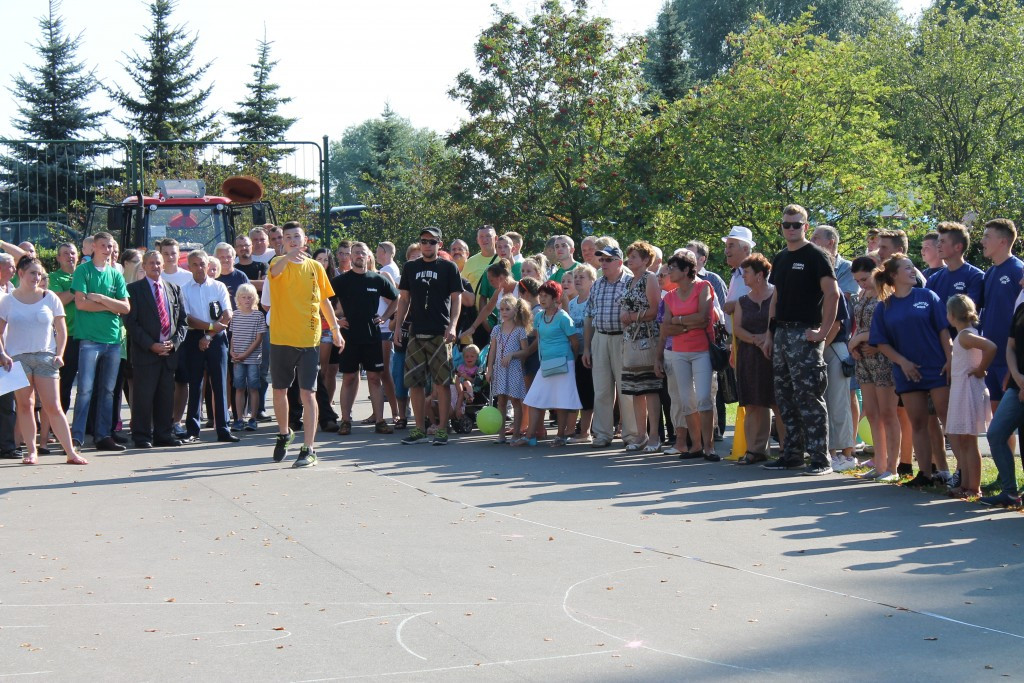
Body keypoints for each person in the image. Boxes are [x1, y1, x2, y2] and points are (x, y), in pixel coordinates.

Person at [763, 205, 839, 476]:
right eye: (787, 224)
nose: (792, 229)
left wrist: (822, 333)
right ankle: (792, 454)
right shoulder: (781, 257)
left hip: (805, 333)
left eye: (797, 224)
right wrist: (770, 333)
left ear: (806, 226)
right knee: (785, 397)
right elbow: (777, 297)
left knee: (809, 397)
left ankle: (821, 459)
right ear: (781, 226)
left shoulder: (816, 255)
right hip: (782, 333)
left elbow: (833, 294)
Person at [870, 255, 953, 487]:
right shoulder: (884, 306)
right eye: (907, 268)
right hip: (907, 373)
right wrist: (903, 362)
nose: (913, 271)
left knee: (947, 420)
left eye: (913, 267)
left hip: (937, 368)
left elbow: (943, 331)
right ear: (894, 276)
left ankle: (957, 473)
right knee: (918, 422)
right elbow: (881, 343)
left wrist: (950, 359)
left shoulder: (927, 296)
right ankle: (925, 474)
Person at [267, 222, 343, 466]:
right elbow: (276, 271)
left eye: (296, 236)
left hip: (309, 339)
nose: (291, 240)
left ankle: (309, 448)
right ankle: (284, 433)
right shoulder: (276, 263)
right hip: (281, 338)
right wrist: (287, 257)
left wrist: (336, 329)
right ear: (283, 242)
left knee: (308, 393)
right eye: (287, 237)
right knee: (279, 390)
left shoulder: (315, 268)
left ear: (305, 239)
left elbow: (324, 302)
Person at [0, 256, 87, 465]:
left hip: (45, 356)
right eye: (32, 273)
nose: (37, 277)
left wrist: (60, 352)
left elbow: (61, 329)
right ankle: (31, 451)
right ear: (21, 273)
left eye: (40, 274)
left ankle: (70, 452)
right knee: (24, 405)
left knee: (53, 406)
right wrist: (2, 353)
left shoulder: (50, 298)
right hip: (17, 359)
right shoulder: (7, 301)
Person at [394, 228, 463, 446]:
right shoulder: (410, 267)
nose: (427, 245)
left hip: (440, 333)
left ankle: (442, 429)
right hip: (416, 332)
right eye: (424, 241)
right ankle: (419, 429)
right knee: (414, 382)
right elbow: (404, 299)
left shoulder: (448, 267)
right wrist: (398, 327)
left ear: (439, 244)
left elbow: (456, 300)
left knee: (442, 383)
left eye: (432, 242)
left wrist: (453, 326)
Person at [71, 232, 130, 452]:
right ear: (94, 247)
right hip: (90, 340)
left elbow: (125, 308)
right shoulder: (83, 271)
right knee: (85, 389)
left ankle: (103, 435)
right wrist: (111, 307)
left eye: (110, 246)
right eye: (103, 245)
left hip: (113, 339)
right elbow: (81, 304)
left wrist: (103, 299)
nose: (107, 249)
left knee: (108, 390)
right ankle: (77, 437)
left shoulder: (116, 275)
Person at [123, 250, 188, 449]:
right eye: (151, 263)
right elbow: (131, 323)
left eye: (158, 263)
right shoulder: (133, 290)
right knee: (143, 396)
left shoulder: (174, 289)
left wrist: (174, 343)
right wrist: (151, 344)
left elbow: (183, 322)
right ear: (144, 265)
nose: (155, 266)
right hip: (145, 353)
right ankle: (142, 435)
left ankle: (163, 434)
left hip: (168, 353)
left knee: (165, 395)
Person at [333, 242, 399, 435]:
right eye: (356, 253)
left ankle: (380, 421)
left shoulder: (377, 279)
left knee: (374, 377)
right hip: (349, 338)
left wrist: (385, 317)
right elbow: (321, 300)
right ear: (350, 257)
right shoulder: (341, 281)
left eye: (363, 252)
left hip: (372, 337)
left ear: (368, 256)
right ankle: (345, 421)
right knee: (349, 378)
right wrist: (337, 320)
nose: (359, 255)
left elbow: (397, 299)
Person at [656, 251, 715, 459]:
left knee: (704, 399)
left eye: (673, 268)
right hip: (678, 353)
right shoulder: (670, 296)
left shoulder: (703, 287)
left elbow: (704, 318)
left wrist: (678, 321)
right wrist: (686, 322)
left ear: (687, 270)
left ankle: (710, 447)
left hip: (701, 352)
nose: (668, 272)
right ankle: (696, 446)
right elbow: (666, 328)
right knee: (686, 401)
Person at [848, 256, 901, 482]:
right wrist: (856, 345)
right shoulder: (862, 295)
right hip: (863, 361)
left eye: (864, 278)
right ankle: (879, 464)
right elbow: (859, 326)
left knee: (888, 414)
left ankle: (893, 467)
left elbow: (890, 329)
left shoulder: (887, 295)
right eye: (858, 281)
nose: (862, 284)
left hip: (883, 360)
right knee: (873, 414)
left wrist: (859, 338)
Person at [583, 244, 637, 449]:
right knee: (602, 390)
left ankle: (632, 435)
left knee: (626, 390)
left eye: (607, 260)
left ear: (619, 262)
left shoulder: (630, 283)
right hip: (600, 338)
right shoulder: (597, 284)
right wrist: (587, 348)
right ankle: (602, 434)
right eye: (601, 259)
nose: (602, 263)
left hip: (623, 338)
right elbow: (589, 317)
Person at [515, 281, 581, 446]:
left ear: (555, 298)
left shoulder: (563, 317)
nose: (542, 299)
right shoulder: (538, 317)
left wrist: (571, 361)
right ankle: (530, 436)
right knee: (535, 398)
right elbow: (538, 339)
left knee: (562, 401)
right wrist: (525, 353)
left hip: (564, 364)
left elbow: (574, 342)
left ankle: (560, 436)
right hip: (545, 364)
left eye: (546, 296)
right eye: (541, 295)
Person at [731, 253, 783, 465]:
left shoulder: (777, 296)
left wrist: (768, 339)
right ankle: (755, 449)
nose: (743, 276)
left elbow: (781, 321)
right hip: (750, 355)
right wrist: (757, 340)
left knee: (778, 401)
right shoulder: (743, 301)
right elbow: (737, 329)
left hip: (776, 354)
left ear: (760, 275)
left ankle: (787, 448)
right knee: (753, 402)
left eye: (747, 272)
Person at [180, 250, 236, 444]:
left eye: (202, 264)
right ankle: (192, 431)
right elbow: (188, 319)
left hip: (217, 338)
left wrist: (210, 335)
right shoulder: (184, 289)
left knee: (219, 383)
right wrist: (209, 328)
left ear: (207, 264)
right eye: (194, 265)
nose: (199, 268)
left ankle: (223, 429)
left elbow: (228, 314)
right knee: (195, 384)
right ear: (189, 267)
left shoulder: (219, 286)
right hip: (194, 337)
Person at [944, 294, 996, 498]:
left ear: (953, 315)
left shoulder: (966, 335)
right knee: (962, 440)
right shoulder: (962, 336)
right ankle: (965, 484)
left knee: (969, 440)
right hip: (961, 389)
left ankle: (974, 487)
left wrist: (981, 368)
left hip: (968, 389)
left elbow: (990, 347)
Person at [981, 286, 1024, 507]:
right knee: (996, 434)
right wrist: (1017, 375)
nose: (1020, 281)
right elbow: (1010, 347)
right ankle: (1010, 492)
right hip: (1017, 386)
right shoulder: (1021, 310)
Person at [619, 241, 663, 453]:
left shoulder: (650, 278)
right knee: (635, 390)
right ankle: (640, 434)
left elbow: (655, 310)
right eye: (630, 256)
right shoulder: (628, 281)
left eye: (634, 256)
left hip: (647, 338)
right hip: (630, 339)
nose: (630, 260)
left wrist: (633, 316)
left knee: (650, 388)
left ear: (646, 260)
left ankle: (654, 435)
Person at [979, 218, 1024, 419]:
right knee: (999, 423)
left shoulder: (1018, 270)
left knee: (1011, 421)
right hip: (992, 360)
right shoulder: (989, 273)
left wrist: (1012, 368)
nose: (982, 241)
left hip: (1011, 361)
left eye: (987, 236)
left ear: (1003, 242)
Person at [486, 296, 531, 444]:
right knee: (501, 401)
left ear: (515, 310)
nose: (504, 312)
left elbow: (526, 351)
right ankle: (501, 435)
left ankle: (516, 433)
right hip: (500, 369)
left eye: (507, 309)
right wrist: (489, 369)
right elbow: (492, 351)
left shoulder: (520, 330)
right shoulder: (496, 329)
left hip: (514, 369)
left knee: (516, 401)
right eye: (501, 309)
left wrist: (512, 355)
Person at [228, 283, 266, 432]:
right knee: (239, 387)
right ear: (238, 299)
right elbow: (232, 336)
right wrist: (232, 351)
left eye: (250, 297)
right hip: (237, 358)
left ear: (255, 298)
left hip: (252, 358)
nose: (247, 300)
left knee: (253, 388)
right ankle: (239, 419)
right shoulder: (235, 315)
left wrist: (246, 354)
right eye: (243, 297)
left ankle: (253, 418)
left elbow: (259, 338)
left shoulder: (258, 315)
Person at [567, 264, 597, 444]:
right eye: (575, 277)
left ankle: (586, 431)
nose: (577, 280)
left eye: (582, 277)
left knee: (589, 392)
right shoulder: (571, 303)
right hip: (575, 353)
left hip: (591, 352)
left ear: (592, 281)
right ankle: (576, 430)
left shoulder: (593, 300)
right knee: (578, 391)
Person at [49, 242, 80, 412]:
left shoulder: (85, 274)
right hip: (68, 337)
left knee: (90, 385)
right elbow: (59, 300)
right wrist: (78, 287)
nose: (70, 257)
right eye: (66, 254)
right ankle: (57, 425)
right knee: (65, 382)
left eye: (73, 253)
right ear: (59, 258)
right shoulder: (54, 277)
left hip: (89, 335)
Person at [453, 344, 482, 419]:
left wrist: (467, 377)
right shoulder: (460, 366)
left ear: (476, 358)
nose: (469, 358)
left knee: (467, 383)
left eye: (472, 356)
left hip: (470, 385)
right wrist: (458, 374)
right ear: (463, 358)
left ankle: (470, 397)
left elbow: (475, 381)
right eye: (466, 356)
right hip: (459, 385)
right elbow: (457, 375)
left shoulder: (476, 369)